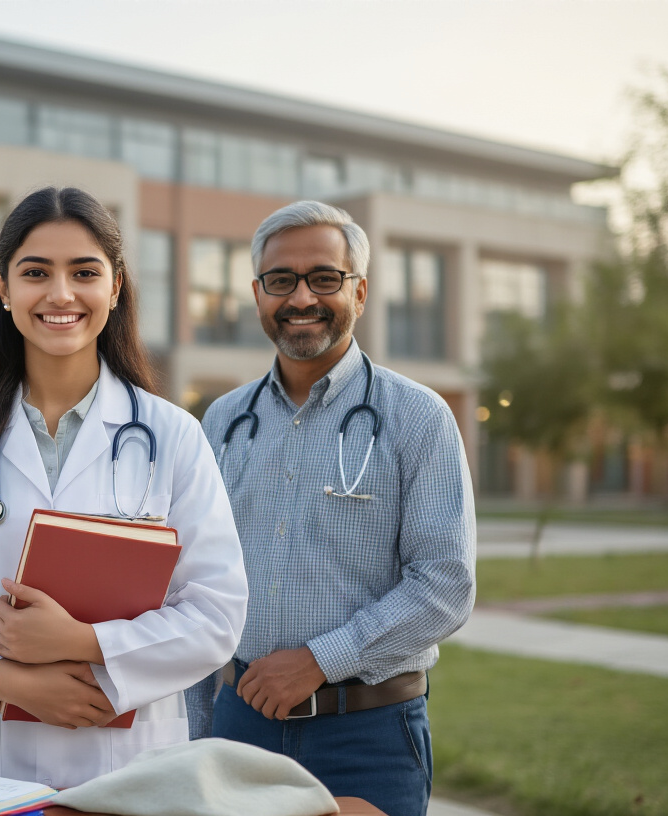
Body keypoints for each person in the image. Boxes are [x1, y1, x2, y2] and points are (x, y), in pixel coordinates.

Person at [0, 186, 248, 790]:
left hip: (128, 769)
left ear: (116, 286)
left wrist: (85, 642)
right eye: (35, 272)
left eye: (84, 272)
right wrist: (12, 681)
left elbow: (216, 614)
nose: (60, 294)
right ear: (2, 288)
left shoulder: (172, 435)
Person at [188, 201, 476, 816]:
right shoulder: (222, 423)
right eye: (281, 281)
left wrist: (320, 660)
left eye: (324, 278)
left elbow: (445, 586)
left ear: (361, 292)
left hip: (366, 735)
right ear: (258, 294)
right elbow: (193, 582)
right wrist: (192, 736)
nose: (301, 298)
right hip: (240, 730)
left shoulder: (418, 418)